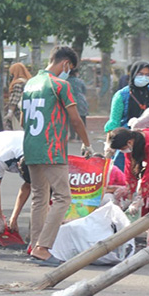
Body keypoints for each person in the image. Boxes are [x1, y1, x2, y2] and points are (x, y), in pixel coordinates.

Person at [22, 46, 94, 267]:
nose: (69, 72)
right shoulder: (60, 85)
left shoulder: (30, 83)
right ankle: (43, 248)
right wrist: (87, 143)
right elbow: (75, 119)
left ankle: (35, 245)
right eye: (70, 68)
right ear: (65, 64)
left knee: (39, 197)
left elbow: (24, 118)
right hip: (52, 147)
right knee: (63, 197)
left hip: (31, 146)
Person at [105, 61, 149, 170]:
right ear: (133, 74)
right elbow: (114, 122)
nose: (144, 77)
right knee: (122, 175)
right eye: (140, 74)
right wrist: (109, 145)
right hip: (126, 144)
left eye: (147, 75)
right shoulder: (121, 95)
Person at [3, 63, 32, 130]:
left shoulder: (18, 83)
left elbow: (15, 99)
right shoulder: (28, 82)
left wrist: (10, 112)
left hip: (18, 114)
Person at [67, 69, 89, 140]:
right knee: (82, 118)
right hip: (81, 101)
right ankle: (80, 136)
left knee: (72, 119)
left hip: (70, 101)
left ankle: (72, 136)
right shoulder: (80, 81)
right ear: (76, 73)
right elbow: (84, 91)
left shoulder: (66, 81)